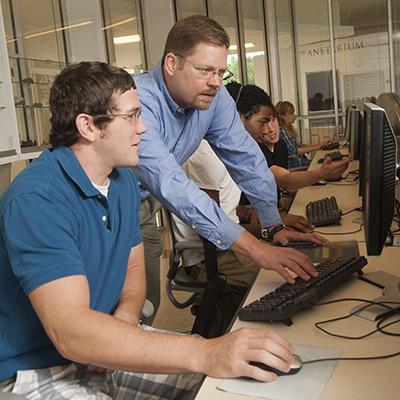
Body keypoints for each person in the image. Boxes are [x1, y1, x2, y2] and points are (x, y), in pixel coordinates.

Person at [0, 61, 300, 399]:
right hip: (32, 371)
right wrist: (206, 353)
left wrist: (125, 321)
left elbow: (133, 266)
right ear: (88, 126)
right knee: (208, 357)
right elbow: (70, 333)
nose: (143, 128)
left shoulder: (122, 180)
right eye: (131, 117)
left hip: (101, 350)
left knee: (236, 383)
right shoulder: (38, 198)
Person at [132, 15, 324, 323]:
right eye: (205, 70)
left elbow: (247, 160)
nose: (216, 81)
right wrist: (255, 248)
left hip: (143, 203)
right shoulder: (139, 101)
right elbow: (172, 185)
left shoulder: (214, 96)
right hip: (102, 203)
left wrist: (273, 227)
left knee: (143, 303)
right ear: (171, 63)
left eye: (222, 71)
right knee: (120, 307)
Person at [226, 83, 351, 232]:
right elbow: (216, 224)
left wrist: (273, 223)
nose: (267, 129)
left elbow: (275, 181)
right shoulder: (215, 153)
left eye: (272, 121)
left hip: (255, 217)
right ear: (239, 117)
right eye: (262, 122)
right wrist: (270, 229)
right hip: (240, 230)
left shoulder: (271, 147)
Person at [276, 100, 332, 169]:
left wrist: (319, 144)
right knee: (321, 166)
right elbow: (292, 151)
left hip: (300, 161)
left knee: (322, 164)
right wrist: (315, 148)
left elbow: (301, 145)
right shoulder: (281, 131)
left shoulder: (288, 129)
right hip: (296, 165)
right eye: (292, 113)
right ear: (283, 116)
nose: (295, 115)